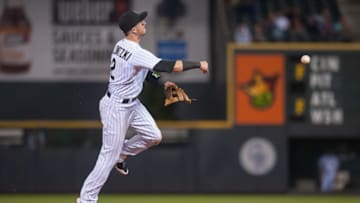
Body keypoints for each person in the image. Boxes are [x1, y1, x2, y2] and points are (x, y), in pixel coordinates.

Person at [77, 10, 208, 203]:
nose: (144, 22)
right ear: (133, 29)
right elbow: (170, 66)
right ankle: (86, 200)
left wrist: (162, 83)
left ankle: (121, 153)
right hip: (116, 107)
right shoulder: (134, 51)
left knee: (154, 136)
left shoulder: (121, 46)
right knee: (107, 157)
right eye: (140, 21)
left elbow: (145, 73)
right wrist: (198, 64)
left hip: (132, 105)